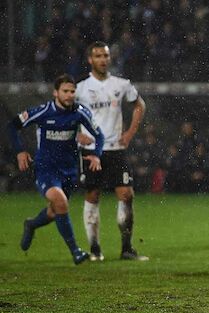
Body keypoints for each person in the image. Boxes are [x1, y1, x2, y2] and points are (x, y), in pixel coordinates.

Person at [7, 74, 104, 264]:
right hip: (46, 168)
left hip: (69, 170)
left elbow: (99, 136)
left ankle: (31, 224)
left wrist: (96, 154)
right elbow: (12, 126)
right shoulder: (43, 111)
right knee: (61, 203)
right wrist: (20, 151)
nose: (69, 95)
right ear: (55, 93)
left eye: (72, 92)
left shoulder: (80, 112)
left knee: (55, 211)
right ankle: (76, 252)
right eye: (65, 91)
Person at [75, 41, 148, 261]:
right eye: (98, 56)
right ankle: (95, 249)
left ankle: (126, 249)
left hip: (116, 148)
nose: (103, 59)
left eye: (105, 56)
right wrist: (76, 134)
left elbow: (139, 105)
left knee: (126, 194)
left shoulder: (121, 84)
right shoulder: (80, 89)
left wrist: (129, 133)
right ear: (90, 60)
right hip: (91, 150)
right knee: (93, 194)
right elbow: (64, 114)